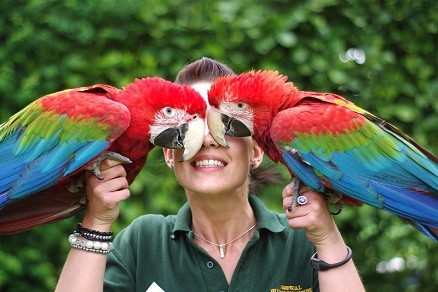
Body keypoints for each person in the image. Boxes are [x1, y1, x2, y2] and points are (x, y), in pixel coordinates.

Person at [56, 58, 365, 291]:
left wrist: (327, 239)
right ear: (168, 153)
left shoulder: (301, 242)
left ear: (256, 151)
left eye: (225, 124)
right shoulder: (143, 242)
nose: (207, 138)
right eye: (190, 127)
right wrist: (95, 223)